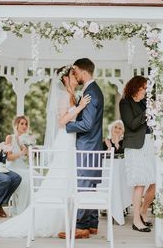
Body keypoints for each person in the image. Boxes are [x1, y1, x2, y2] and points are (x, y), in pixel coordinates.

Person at [0, 65, 90, 238]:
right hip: (65, 140)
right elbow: (61, 122)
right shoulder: (63, 96)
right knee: (60, 178)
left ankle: (67, 221)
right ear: (65, 78)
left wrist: (79, 105)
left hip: (71, 140)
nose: (76, 77)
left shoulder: (73, 96)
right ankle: (56, 221)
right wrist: (80, 107)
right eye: (73, 75)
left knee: (68, 179)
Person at [59, 58, 104, 240]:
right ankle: (92, 224)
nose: (74, 74)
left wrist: (67, 127)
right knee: (89, 185)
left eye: (75, 71)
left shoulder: (92, 93)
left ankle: (81, 227)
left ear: (82, 71)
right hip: (90, 145)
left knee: (85, 185)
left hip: (87, 145)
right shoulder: (90, 90)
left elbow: (86, 124)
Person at [119, 75, 155, 233]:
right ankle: (136, 221)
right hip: (135, 147)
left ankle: (143, 211)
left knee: (155, 182)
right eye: (143, 88)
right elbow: (132, 125)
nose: (145, 91)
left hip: (149, 144)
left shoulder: (143, 102)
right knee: (139, 183)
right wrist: (147, 113)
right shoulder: (125, 102)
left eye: (146, 88)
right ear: (136, 87)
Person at [5, 116, 34, 215]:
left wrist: (31, 150)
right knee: (26, 180)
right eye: (21, 123)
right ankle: (22, 212)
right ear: (16, 125)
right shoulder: (10, 138)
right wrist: (21, 153)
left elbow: (28, 157)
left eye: (26, 124)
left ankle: (31, 211)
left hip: (23, 167)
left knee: (35, 176)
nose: (24, 126)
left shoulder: (26, 140)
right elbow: (8, 157)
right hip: (12, 168)